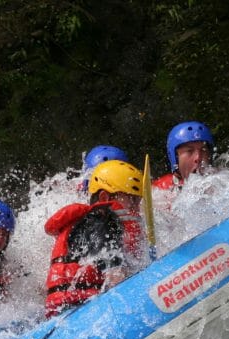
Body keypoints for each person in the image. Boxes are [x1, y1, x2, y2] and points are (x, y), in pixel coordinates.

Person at [44, 159, 148, 317]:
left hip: (65, 309)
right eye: (131, 200)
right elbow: (110, 268)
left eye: (138, 201)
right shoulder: (100, 219)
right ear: (105, 197)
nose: (136, 209)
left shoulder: (84, 222)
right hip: (77, 309)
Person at [153, 121, 215, 191]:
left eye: (203, 150)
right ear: (175, 158)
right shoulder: (160, 190)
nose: (198, 158)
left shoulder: (221, 181)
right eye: (190, 151)